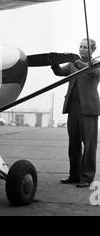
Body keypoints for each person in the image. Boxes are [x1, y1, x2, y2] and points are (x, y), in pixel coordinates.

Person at [51, 38, 100, 187]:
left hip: (89, 110)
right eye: (80, 46)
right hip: (73, 109)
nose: (82, 49)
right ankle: (74, 175)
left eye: (85, 47)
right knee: (73, 145)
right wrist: (54, 63)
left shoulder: (96, 63)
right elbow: (60, 72)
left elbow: (95, 72)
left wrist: (81, 64)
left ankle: (86, 178)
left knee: (89, 145)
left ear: (92, 50)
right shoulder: (72, 64)